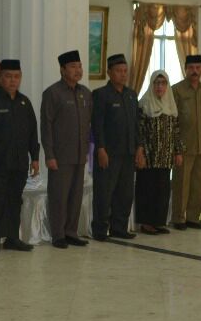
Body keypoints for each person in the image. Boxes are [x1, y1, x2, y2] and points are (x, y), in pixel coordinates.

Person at [0, 58, 39, 254]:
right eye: (8, 76)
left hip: (19, 162)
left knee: (14, 200)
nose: (13, 80)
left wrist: (35, 158)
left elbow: (32, 132)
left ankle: (12, 237)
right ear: (0, 78)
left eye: (16, 77)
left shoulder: (24, 102)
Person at [40, 50, 92, 248]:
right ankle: (58, 234)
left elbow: (89, 124)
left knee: (75, 196)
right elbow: (46, 127)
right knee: (59, 197)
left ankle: (71, 231)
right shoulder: (52, 93)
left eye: (79, 66)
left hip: (80, 155)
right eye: (73, 67)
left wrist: (87, 151)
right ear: (62, 70)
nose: (78, 70)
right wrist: (49, 155)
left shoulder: (85, 93)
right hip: (60, 156)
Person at [91, 53, 144, 241]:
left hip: (128, 153)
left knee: (125, 193)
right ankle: (100, 230)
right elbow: (97, 125)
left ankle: (119, 228)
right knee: (104, 193)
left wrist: (139, 147)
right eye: (118, 71)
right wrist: (101, 149)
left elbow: (137, 123)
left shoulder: (131, 95)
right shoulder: (100, 95)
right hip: (109, 153)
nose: (123, 74)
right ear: (109, 73)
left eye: (125, 71)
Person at [171, 54, 201, 229]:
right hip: (185, 145)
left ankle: (193, 217)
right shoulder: (176, 90)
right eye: (191, 68)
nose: (195, 71)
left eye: (198, 68)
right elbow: (173, 121)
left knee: (200, 184)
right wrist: (175, 147)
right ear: (185, 69)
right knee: (181, 184)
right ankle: (179, 218)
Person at [135, 70, 183, 234]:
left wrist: (178, 152)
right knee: (147, 189)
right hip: (149, 156)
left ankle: (158, 222)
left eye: (163, 83)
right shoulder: (144, 104)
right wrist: (139, 152)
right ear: (152, 85)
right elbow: (139, 131)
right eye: (157, 83)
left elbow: (176, 131)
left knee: (163, 190)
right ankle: (146, 223)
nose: (160, 87)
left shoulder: (171, 105)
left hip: (166, 156)